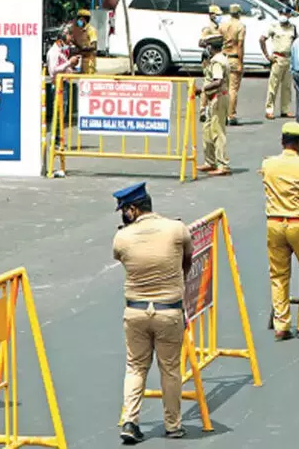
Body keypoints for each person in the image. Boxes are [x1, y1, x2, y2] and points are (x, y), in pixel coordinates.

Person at [112, 182, 193, 444]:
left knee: (135, 367)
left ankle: (130, 420)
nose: (123, 214)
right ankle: (173, 425)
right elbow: (187, 260)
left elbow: (121, 257)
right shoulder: (177, 229)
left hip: (135, 311)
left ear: (133, 210)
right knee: (170, 369)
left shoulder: (122, 238)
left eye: (124, 210)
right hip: (169, 311)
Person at [260, 122, 299, 340]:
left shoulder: (268, 164)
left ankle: (281, 324)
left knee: (278, 275)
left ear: (282, 142)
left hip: (275, 224)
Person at [197, 34, 231, 176]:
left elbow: (218, 81)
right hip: (212, 98)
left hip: (218, 97)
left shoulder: (217, 61)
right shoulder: (218, 59)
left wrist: (203, 89)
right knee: (207, 131)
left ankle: (222, 165)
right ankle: (210, 161)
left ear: (211, 48)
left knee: (217, 132)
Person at [260, 7, 297, 120]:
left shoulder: (293, 28)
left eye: (286, 13)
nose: (284, 15)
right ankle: (269, 109)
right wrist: (267, 56)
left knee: (287, 87)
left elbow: (296, 42)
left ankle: (285, 110)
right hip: (277, 58)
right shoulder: (274, 26)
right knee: (273, 86)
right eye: (282, 13)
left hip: (288, 59)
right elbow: (262, 39)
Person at [46, 27, 80, 135]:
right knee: (58, 113)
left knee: (61, 113)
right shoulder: (54, 52)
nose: (70, 38)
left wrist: (71, 68)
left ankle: (57, 139)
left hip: (63, 84)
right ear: (62, 36)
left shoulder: (61, 51)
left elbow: (63, 66)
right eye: (69, 34)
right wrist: (69, 62)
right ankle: (55, 139)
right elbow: (53, 69)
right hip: (57, 85)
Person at [219, 3, 246, 125]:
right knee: (233, 89)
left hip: (224, 57)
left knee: (223, 88)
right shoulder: (240, 26)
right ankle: (231, 115)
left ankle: (222, 113)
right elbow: (240, 45)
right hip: (234, 57)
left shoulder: (223, 25)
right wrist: (241, 62)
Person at [198, 6, 224, 124]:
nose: (219, 17)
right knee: (208, 82)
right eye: (217, 15)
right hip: (208, 58)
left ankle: (211, 108)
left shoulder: (219, 27)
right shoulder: (208, 28)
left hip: (216, 57)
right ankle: (202, 110)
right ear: (211, 15)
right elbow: (200, 42)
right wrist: (209, 44)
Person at [73, 9, 98, 74]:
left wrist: (84, 48)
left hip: (90, 61)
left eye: (79, 19)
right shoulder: (82, 30)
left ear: (84, 20)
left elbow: (94, 46)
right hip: (83, 59)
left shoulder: (91, 30)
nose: (78, 21)